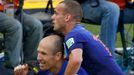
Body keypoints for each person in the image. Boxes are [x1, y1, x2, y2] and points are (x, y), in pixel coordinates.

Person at [51, 0, 124, 75]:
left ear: (67, 17)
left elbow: (76, 60)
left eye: (56, 13)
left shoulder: (73, 34)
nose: (52, 17)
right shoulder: (79, 31)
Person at [0, 0, 43, 74]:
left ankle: (30, 67)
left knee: (35, 25)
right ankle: (13, 69)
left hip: (11, 7)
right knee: (14, 27)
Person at [14, 34, 89, 75]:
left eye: (43, 53)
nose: (38, 58)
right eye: (38, 52)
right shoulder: (45, 70)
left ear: (58, 56)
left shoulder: (72, 72)